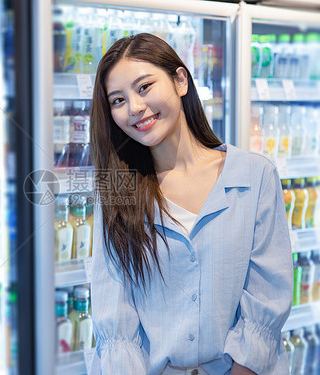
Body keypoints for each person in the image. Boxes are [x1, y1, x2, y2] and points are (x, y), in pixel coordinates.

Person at [88, 33, 293, 375]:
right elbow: (115, 320)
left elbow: (267, 300)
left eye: (144, 87)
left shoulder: (255, 176)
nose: (135, 108)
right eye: (118, 100)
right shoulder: (117, 191)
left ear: (180, 80)